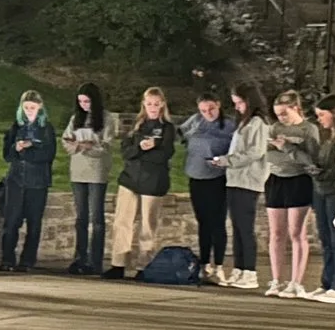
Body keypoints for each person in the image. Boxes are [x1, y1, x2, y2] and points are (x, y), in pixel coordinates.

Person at [262, 90, 326, 298]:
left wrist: (288, 148)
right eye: (278, 114)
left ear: (296, 108)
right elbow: (268, 153)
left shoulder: (308, 129)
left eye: (284, 113)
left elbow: (311, 159)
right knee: (276, 233)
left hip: (298, 180)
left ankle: (296, 281)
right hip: (276, 179)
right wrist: (277, 150)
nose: (281, 118)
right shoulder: (275, 128)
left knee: (296, 232)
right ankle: (276, 279)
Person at [108, 88, 178, 279]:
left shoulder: (167, 128)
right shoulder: (137, 126)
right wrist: (140, 147)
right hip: (130, 179)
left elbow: (165, 155)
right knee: (122, 222)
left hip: (153, 181)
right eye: (149, 104)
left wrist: (150, 149)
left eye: (156, 104)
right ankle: (118, 264)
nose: (153, 107)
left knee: (148, 225)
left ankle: (143, 266)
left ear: (162, 104)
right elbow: (125, 152)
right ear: (144, 104)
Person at [213, 86, 271, 290]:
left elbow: (254, 152)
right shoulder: (244, 123)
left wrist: (227, 160)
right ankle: (239, 268)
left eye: (240, 102)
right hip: (235, 179)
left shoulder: (258, 123)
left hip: (248, 180)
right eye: (235, 103)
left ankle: (250, 271)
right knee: (237, 227)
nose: (237, 107)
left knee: (245, 227)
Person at [180, 90, 235, 278]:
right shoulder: (195, 121)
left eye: (211, 109)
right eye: (203, 110)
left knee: (217, 222)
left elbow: (236, 150)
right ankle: (204, 264)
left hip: (217, 177)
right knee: (203, 222)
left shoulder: (229, 126)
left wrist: (223, 159)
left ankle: (218, 264)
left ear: (218, 105)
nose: (208, 113)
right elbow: (181, 133)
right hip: (196, 175)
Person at [0, 90, 55, 271]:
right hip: (16, 180)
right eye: (26, 107)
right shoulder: (15, 127)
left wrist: (29, 149)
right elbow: (7, 155)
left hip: (37, 182)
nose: (29, 110)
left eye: (33, 107)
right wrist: (16, 148)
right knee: (11, 221)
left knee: (34, 222)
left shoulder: (46, 129)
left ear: (40, 108)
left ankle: (27, 261)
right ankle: (7, 259)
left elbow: (48, 154)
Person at [62, 85, 111, 276]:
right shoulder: (76, 118)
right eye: (81, 102)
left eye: (87, 101)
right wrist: (75, 145)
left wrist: (90, 146)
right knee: (81, 217)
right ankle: (79, 257)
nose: (84, 106)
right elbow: (66, 140)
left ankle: (95, 260)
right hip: (78, 170)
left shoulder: (106, 118)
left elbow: (106, 146)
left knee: (96, 217)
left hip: (97, 171)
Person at [310, 95, 335, 304]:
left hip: (334, 191)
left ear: (334, 114)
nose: (319, 120)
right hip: (321, 191)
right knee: (325, 238)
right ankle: (326, 282)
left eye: (321, 115)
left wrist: (320, 173)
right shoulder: (328, 138)